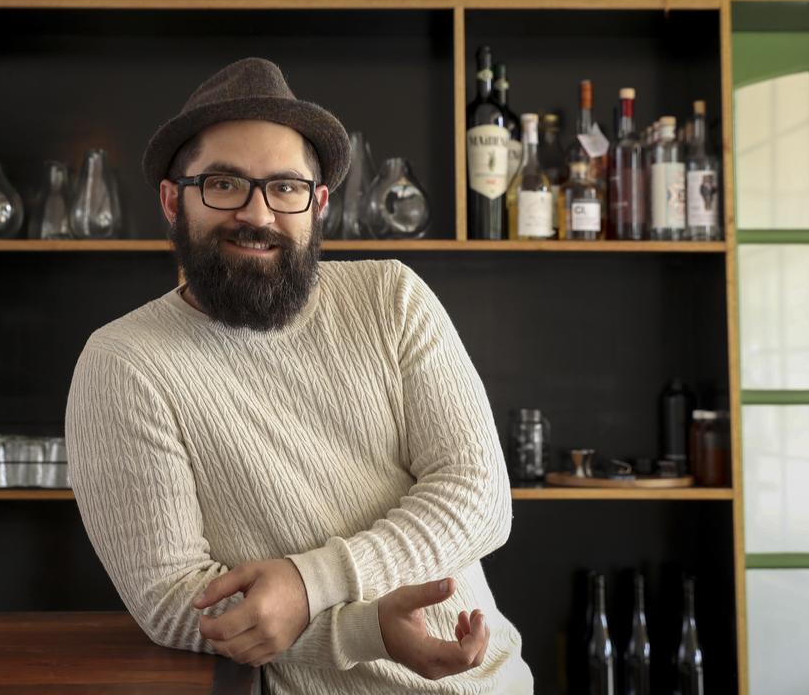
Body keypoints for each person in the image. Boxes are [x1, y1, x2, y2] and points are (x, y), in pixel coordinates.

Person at [65, 57, 533, 694]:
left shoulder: (392, 297)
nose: (258, 215)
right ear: (174, 202)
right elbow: (174, 601)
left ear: (318, 205)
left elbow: (480, 496)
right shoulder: (123, 364)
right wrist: (365, 629)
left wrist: (310, 583)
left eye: (284, 188)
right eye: (224, 184)